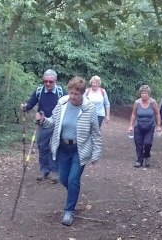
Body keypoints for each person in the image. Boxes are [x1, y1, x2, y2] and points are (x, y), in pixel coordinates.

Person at [35, 76, 102, 226]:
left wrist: (96, 152)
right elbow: (53, 122)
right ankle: (73, 191)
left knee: (73, 179)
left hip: (80, 149)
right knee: (64, 179)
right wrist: (42, 120)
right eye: (71, 92)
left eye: (76, 94)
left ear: (83, 93)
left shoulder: (89, 108)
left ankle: (69, 211)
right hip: (63, 148)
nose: (72, 96)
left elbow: (96, 132)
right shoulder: (62, 103)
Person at [20, 69, 67, 183]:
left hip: (57, 125)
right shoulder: (39, 91)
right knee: (42, 147)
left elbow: (68, 106)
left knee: (55, 148)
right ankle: (44, 170)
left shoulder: (61, 92)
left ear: (55, 81)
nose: (48, 84)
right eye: (45, 81)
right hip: (43, 123)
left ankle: (54, 171)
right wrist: (25, 106)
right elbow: (31, 103)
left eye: (50, 82)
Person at [128, 85, 161, 168]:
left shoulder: (152, 102)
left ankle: (147, 156)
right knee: (138, 143)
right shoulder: (137, 102)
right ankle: (139, 160)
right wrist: (131, 126)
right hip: (138, 125)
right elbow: (133, 114)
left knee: (147, 143)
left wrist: (158, 126)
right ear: (140, 94)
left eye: (145, 93)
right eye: (142, 93)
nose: (144, 95)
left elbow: (157, 114)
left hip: (149, 126)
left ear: (148, 94)